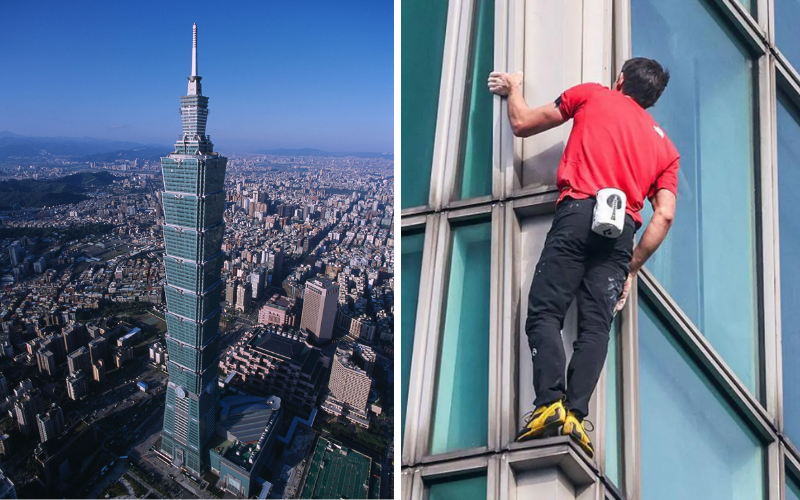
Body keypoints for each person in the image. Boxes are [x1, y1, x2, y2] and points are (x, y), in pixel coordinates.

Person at [487, 58, 679, 457]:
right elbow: (664, 215)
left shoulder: (592, 95)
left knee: (544, 313)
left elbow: (522, 123)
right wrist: (631, 265)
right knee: (595, 329)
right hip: (620, 234)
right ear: (653, 100)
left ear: (621, 80)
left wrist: (514, 87)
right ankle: (576, 416)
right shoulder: (666, 148)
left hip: (577, 212)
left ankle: (549, 405)